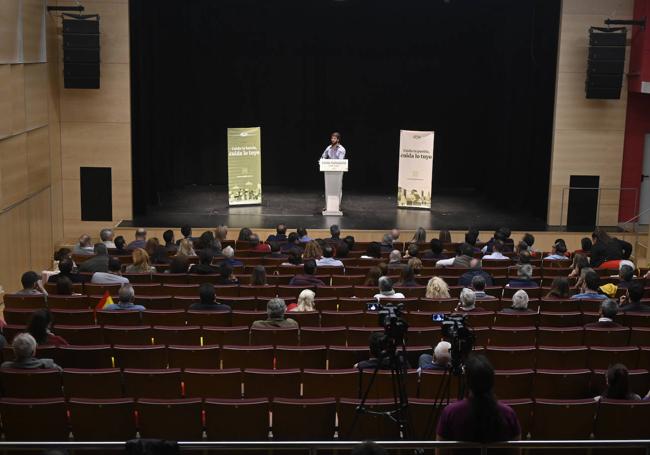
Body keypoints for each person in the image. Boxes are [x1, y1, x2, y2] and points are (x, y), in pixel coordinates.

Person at [436, 354, 521, 445]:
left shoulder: (450, 412)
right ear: (491, 381)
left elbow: (440, 451)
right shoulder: (508, 414)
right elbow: (516, 451)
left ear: (467, 382)